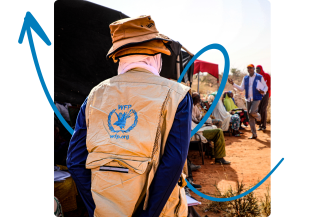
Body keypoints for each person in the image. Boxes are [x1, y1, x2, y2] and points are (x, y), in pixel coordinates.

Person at [67, 15, 192, 217]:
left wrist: (96, 209)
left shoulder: (95, 94)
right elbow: (175, 162)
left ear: (120, 58)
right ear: (156, 56)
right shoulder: (177, 94)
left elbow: (74, 160)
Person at [228, 64, 268, 139]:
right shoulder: (245, 78)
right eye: (248, 68)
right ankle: (254, 134)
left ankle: (259, 117)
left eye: (250, 68)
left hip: (256, 98)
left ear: (253, 68)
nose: (249, 69)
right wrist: (233, 84)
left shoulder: (259, 77)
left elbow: (266, 86)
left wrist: (263, 91)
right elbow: (241, 89)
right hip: (248, 99)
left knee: (251, 112)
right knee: (250, 117)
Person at [191, 93, 230, 164]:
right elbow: (193, 121)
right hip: (195, 132)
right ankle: (219, 158)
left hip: (198, 128)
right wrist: (200, 122)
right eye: (198, 99)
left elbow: (198, 117)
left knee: (214, 127)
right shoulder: (188, 107)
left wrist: (203, 120)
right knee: (218, 132)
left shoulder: (194, 107)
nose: (199, 100)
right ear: (194, 99)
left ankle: (212, 153)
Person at [256, 65, 271, 131]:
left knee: (263, 109)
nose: (257, 70)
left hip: (265, 94)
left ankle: (264, 125)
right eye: (256, 69)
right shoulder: (256, 76)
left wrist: (268, 92)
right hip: (258, 95)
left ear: (261, 69)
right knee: (259, 109)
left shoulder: (266, 75)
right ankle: (260, 125)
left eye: (258, 69)